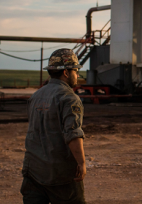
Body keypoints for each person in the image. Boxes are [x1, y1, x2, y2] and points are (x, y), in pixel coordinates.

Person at [21, 48, 86, 204]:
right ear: (65, 72)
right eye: (75, 71)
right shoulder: (69, 98)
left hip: (33, 171)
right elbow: (72, 134)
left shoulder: (36, 96)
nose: (77, 75)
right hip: (60, 174)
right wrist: (82, 163)